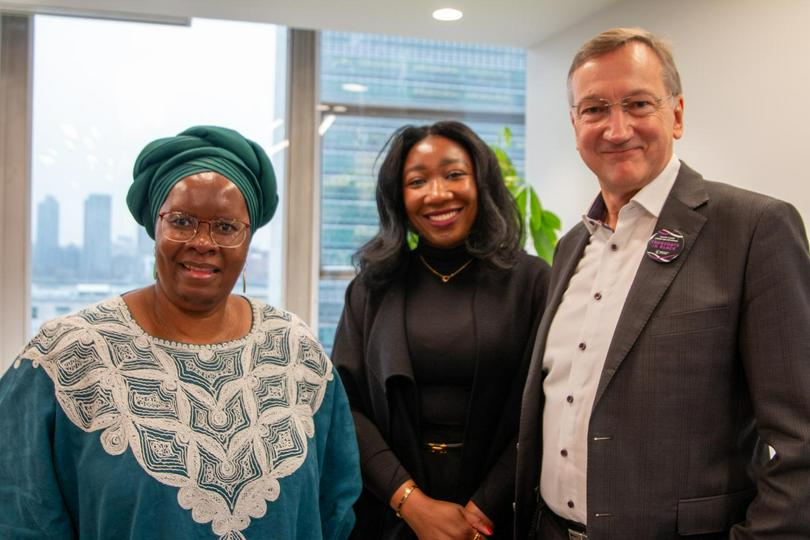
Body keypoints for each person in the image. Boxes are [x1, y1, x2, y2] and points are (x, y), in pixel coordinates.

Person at [515, 27, 810, 539]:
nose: (616, 128)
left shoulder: (752, 229)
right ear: (574, 123)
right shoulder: (569, 249)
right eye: (594, 109)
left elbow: (801, 441)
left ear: (676, 114)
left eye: (638, 103)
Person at [0, 125, 361, 540]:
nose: (203, 242)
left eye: (226, 227)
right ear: (154, 226)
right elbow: (19, 515)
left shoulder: (295, 352)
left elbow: (337, 508)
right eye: (182, 221)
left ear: (249, 240)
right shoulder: (67, 356)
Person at [333, 120, 550, 539]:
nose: (438, 194)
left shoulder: (532, 282)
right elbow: (347, 406)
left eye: (454, 174)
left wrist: (482, 511)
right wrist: (411, 503)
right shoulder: (372, 288)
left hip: (503, 515)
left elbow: (547, 408)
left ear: (481, 182)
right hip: (391, 513)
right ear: (399, 197)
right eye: (418, 181)